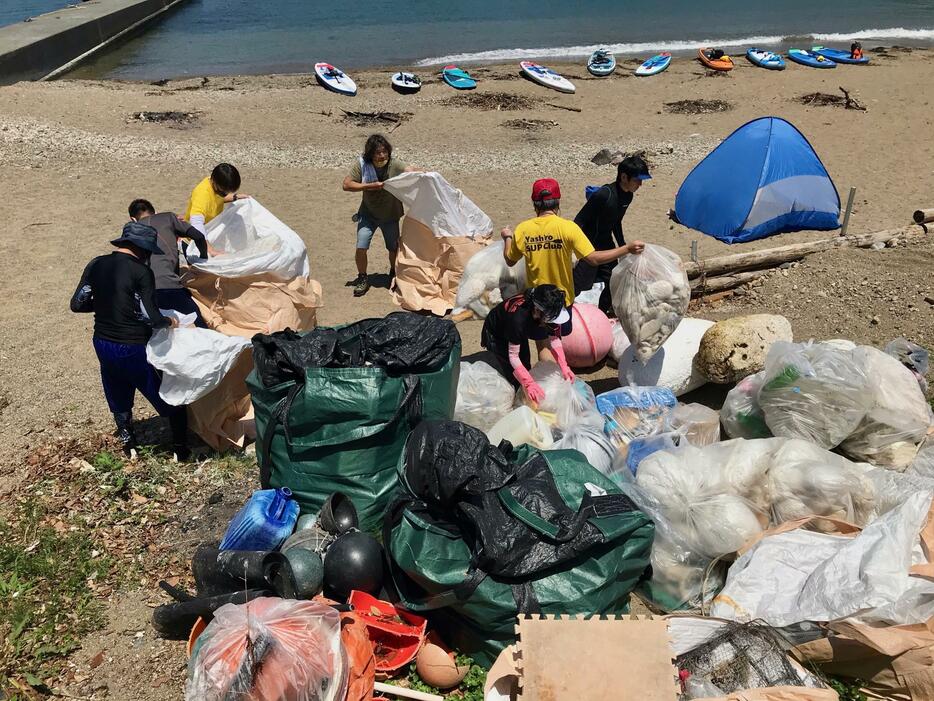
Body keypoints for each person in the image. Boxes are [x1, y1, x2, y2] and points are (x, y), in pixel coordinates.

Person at [70, 222, 190, 460]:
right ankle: (180, 449)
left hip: (102, 342)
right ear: (142, 249)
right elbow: (152, 318)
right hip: (133, 345)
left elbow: (77, 304)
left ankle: (129, 444)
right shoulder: (141, 272)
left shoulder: (95, 264)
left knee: (116, 387)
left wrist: (109, 304)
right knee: (169, 393)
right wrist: (170, 321)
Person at [501, 178, 644, 363]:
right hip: (563, 298)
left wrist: (507, 238)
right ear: (558, 202)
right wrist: (626, 249)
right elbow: (593, 258)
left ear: (534, 203)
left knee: (543, 344)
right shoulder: (568, 228)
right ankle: (557, 377)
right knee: (556, 340)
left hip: (538, 300)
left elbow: (510, 260)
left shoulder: (523, 230)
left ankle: (551, 380)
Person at [572, 155, 652, 313]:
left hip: (606, 243)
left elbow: (616, 222)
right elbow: (579, 221)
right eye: (637, 180)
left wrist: (623, 247)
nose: (640, 184)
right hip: (588, 246)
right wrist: (573, 250)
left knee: (614, 281)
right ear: (623, 177)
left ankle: (603, 313)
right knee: (579, 285)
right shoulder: (604, 194)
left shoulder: (628, 196)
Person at [341, 134, 417, 297]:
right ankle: (362, 277)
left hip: (390, 215)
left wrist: (424, 172)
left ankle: (394, 275)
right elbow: (346, 184)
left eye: (384, 152)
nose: (382, 156)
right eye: (377, 153)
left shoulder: (394, 164)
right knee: (361, 246)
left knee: (393, 248)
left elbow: (410, 171)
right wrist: (368, 186)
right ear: (370, 154)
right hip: (368, 214)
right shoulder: (362, 165)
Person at [128, 198, 214, 328]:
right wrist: (202, 258)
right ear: (155, 212)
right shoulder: (168, 217)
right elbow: (198, 236)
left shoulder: (132, 231)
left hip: (145, 292)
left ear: (133, 219)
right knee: (199, 324)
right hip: (170, 284)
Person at [481, 285, 575, 400]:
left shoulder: (549, 307)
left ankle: (524, 390)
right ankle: (518, 397)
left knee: (525, 362)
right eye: (549, 320)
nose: (553, 323)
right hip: (497, 333)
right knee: (512, 372)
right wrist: (528, 383)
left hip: (518, 330)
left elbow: (554, 338)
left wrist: (564, 366)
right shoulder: (518, 320)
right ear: (536, 311)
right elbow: (513, 356)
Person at [184, 163, 250, 235]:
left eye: (227, 193)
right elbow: (196, 222)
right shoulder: (202, 194)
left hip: (210, 230)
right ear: (214, 181)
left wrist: (236, 197)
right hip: (193, 239)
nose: (224, 194)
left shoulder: (216, 185)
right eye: (223, 192)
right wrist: (206, 244)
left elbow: (218, 199)